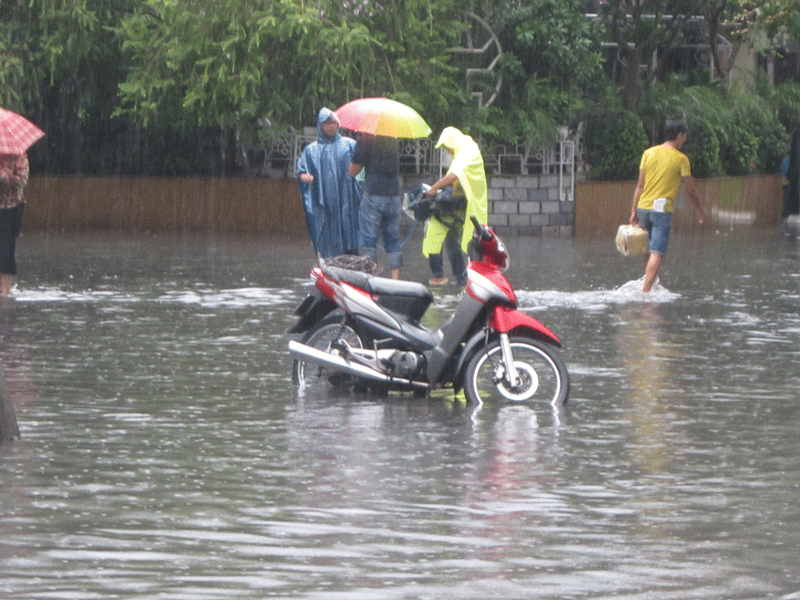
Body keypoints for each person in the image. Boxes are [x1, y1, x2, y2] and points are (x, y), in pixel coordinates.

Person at [630, 118, 708, 293]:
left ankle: (650, 284)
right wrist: (701, 209)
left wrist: (633, 210)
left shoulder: (648, 153)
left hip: (643, 207)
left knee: (647, 249)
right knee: (657, 251)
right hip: (661, 211)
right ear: (679, 135)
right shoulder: (681, 159)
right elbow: (691, 190)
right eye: (684, 137)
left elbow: (640, 186)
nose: (685, 140)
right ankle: (645, 292)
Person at [423, 127, 488, 286]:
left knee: (434, 235)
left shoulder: (466, 151)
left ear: (452, 143)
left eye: (447, 148)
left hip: (460, 206)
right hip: (460, 205)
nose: (448, 151)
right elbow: (456, 178)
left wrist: (432, 189)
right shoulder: (467, 147)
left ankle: (439, 277)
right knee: (452, 241)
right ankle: (461, 279)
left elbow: (453, 175)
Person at [296, 108, 363, 258]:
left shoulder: (350, 145)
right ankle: (328, 263)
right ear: (320, 125)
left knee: (349, 232)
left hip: (348, 200)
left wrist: (360, 186)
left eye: (333, 122)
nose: (331, 126)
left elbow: (362, 169)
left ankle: (352, 263)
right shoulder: (310, 151)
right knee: (327, 233)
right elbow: (301, 170)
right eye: (327, 123)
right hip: (324, 203)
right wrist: (304, 177)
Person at [349, 134, 402, 279]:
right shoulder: (393, 140)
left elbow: (353, 171)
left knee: (368, 240)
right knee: (392, 240)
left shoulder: (364, 141)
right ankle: (395, 281)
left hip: (373, 194)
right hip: (394, 196)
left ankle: (371, 280)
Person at [0, 152, 29, 296]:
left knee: (6, 247)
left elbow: (22, 181)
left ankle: (5, 291)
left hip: (13, 207)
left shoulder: (19, 155)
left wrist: (4, 177)